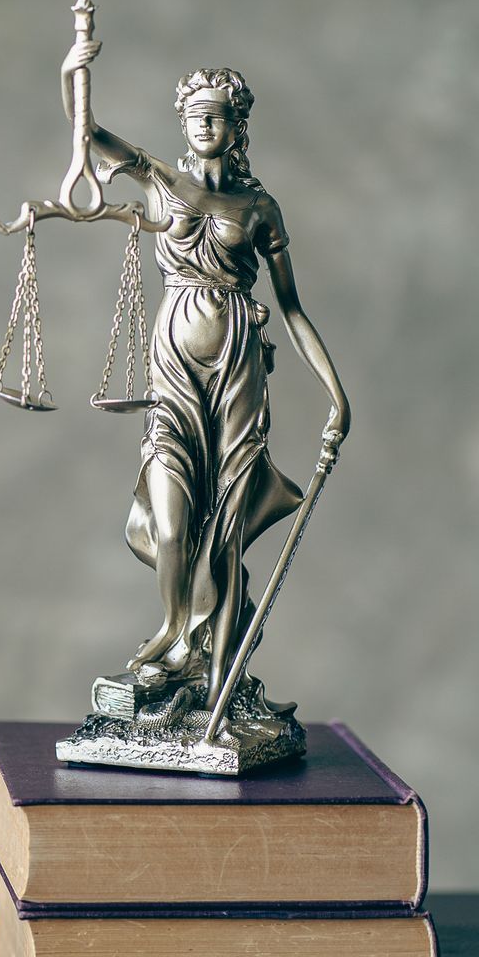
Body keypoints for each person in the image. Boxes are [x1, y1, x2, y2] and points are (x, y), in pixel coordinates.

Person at [62, 38, 351, 715]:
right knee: (170, 517)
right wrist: (74, 70)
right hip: (174, 369)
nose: (203, 124)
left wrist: (336, 393)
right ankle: (170, 632)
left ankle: (212, 669)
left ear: (237, 126)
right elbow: (89, 137)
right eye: (194, 113)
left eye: (217, 115)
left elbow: (294, 309)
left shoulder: (260, 209)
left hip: (240, 369)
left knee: (226, 527)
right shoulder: (162, 179)